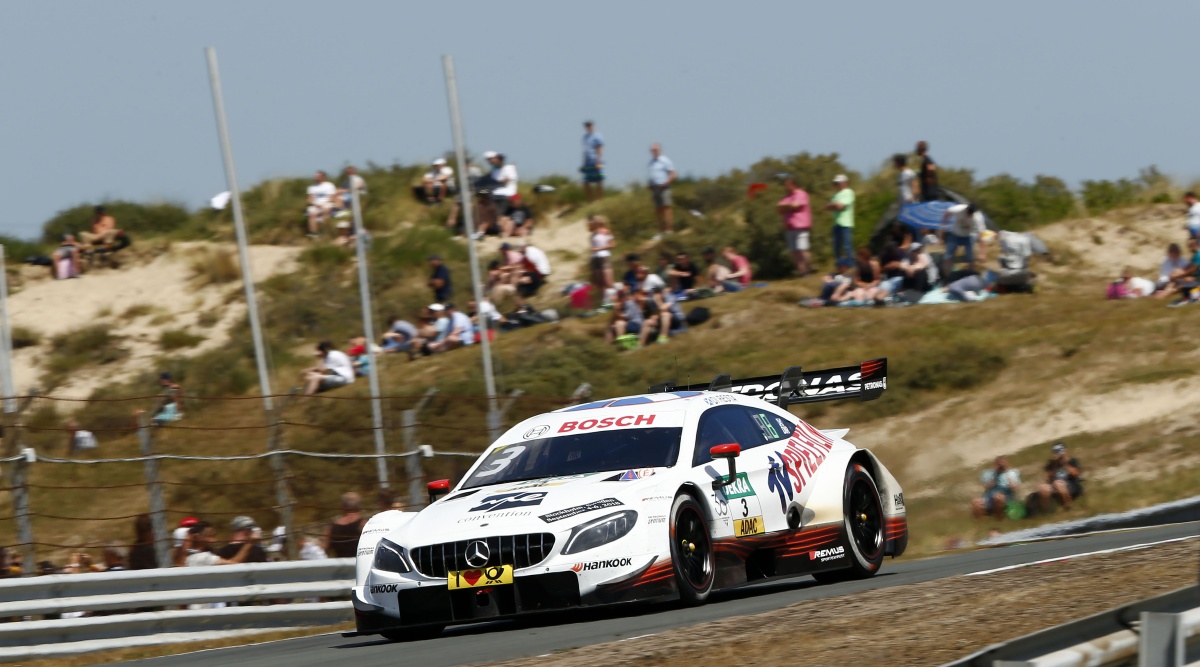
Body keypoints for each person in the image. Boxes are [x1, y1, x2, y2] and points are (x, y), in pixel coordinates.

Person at [777, 175, 813, 276]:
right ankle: (803, 273)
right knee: (794, 252)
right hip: (789, 227)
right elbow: (779, 208)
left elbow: (796, 205)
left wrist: (786, 207)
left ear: (793, 185)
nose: (786, 187)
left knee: (802, 249)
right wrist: (788, 206)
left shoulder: (801, 194)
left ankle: (809, 269)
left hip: (800, 225)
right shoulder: (785, 197)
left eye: (787, 185)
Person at [184, 521, 259, 566]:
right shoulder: (203, 557)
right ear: (199, 537)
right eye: (210, 536)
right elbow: (234, 564)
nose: (214, 540)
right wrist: (250, 542)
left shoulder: (189, 557)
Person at [1036, 443, 1084, 512]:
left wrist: (1064, 463)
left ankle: (1068, 507)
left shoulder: (1072, 461)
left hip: (1071, 484)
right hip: (1055, 485)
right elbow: (1050, 478)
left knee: (1058, 483)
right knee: (1043, 488)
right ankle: (1046, 511)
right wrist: (1055, 464)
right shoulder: (1051, 464)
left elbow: (1076, 474)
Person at [941, 203, 985, 276]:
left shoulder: (978, 218)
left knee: (970, 258)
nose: (968, 215)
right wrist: (943, 227)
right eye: (968, 212)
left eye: (970, 214)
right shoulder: (958, 209)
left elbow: (981, 235)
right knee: (948, 256)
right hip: (955, 234)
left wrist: (982, 253)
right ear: (966, 209)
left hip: (968, 236)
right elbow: (947, 212)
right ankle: (947, 277)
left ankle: (971, 277)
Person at [324, 492, 365, 559]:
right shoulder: (364, 525)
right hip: (361, 566)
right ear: (359, 507)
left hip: (342, 567)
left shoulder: (331, 528)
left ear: (343, 507)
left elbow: (323, 550)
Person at [825, 174, 856, 265]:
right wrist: (834, 205)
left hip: (846, 223)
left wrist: (833, 205)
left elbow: (840, 206)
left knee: (847, 246)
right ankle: (839, 264)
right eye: (836, 183)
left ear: (844, 183)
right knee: (836, 246)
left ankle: (851, 264)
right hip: (836, 223)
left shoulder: (849, 192)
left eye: (839, 183)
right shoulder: (836, 195)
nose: (837, 185)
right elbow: (829, 207)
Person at [647, 143, 676, 238]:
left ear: (659, 150)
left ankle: (669, 230)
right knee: (658, 210)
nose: (653, 152)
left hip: (664, 187)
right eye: (652, 150)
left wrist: (666, 183)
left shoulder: (665, 160)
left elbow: (672, 174)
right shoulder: (651, 162)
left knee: (666, 208)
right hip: (655, 187)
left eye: (654, 150)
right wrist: (650, 184)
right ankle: (661, 231)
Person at [587, 215, 616, 307]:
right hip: (595, 257)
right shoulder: (593, 234)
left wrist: (599, 248)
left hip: (604, 256)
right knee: (600, 282)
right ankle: (605, 301)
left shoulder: (606, 232)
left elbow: (612, 245)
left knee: (608, 281)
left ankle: (614, 298)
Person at [305, 171, 337, 237]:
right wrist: (315, 204)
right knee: (312, 213)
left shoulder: (329, 185)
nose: (316, 178)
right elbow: (309, 199)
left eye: (318, 176)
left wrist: (324, 203)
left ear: (323, 177)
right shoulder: (312, 187)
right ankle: (314, 233)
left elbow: (332, 197)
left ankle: (325, 231)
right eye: (316, 176)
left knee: (326, 210)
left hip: (327, 202)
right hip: (316, 204)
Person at [581, 120, 605, 201]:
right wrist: (583, 164)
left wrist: (599, 161)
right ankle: (591, 200)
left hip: (595, 160)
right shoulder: (585, 137)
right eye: (586, 126)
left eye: (589, 125)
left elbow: (599, 148)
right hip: (588, 161)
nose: (588, 127)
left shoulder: (597, 135)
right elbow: (585, 150)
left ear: (592, 126)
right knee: (586, 182)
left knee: (599, 181)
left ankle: (599, 200)